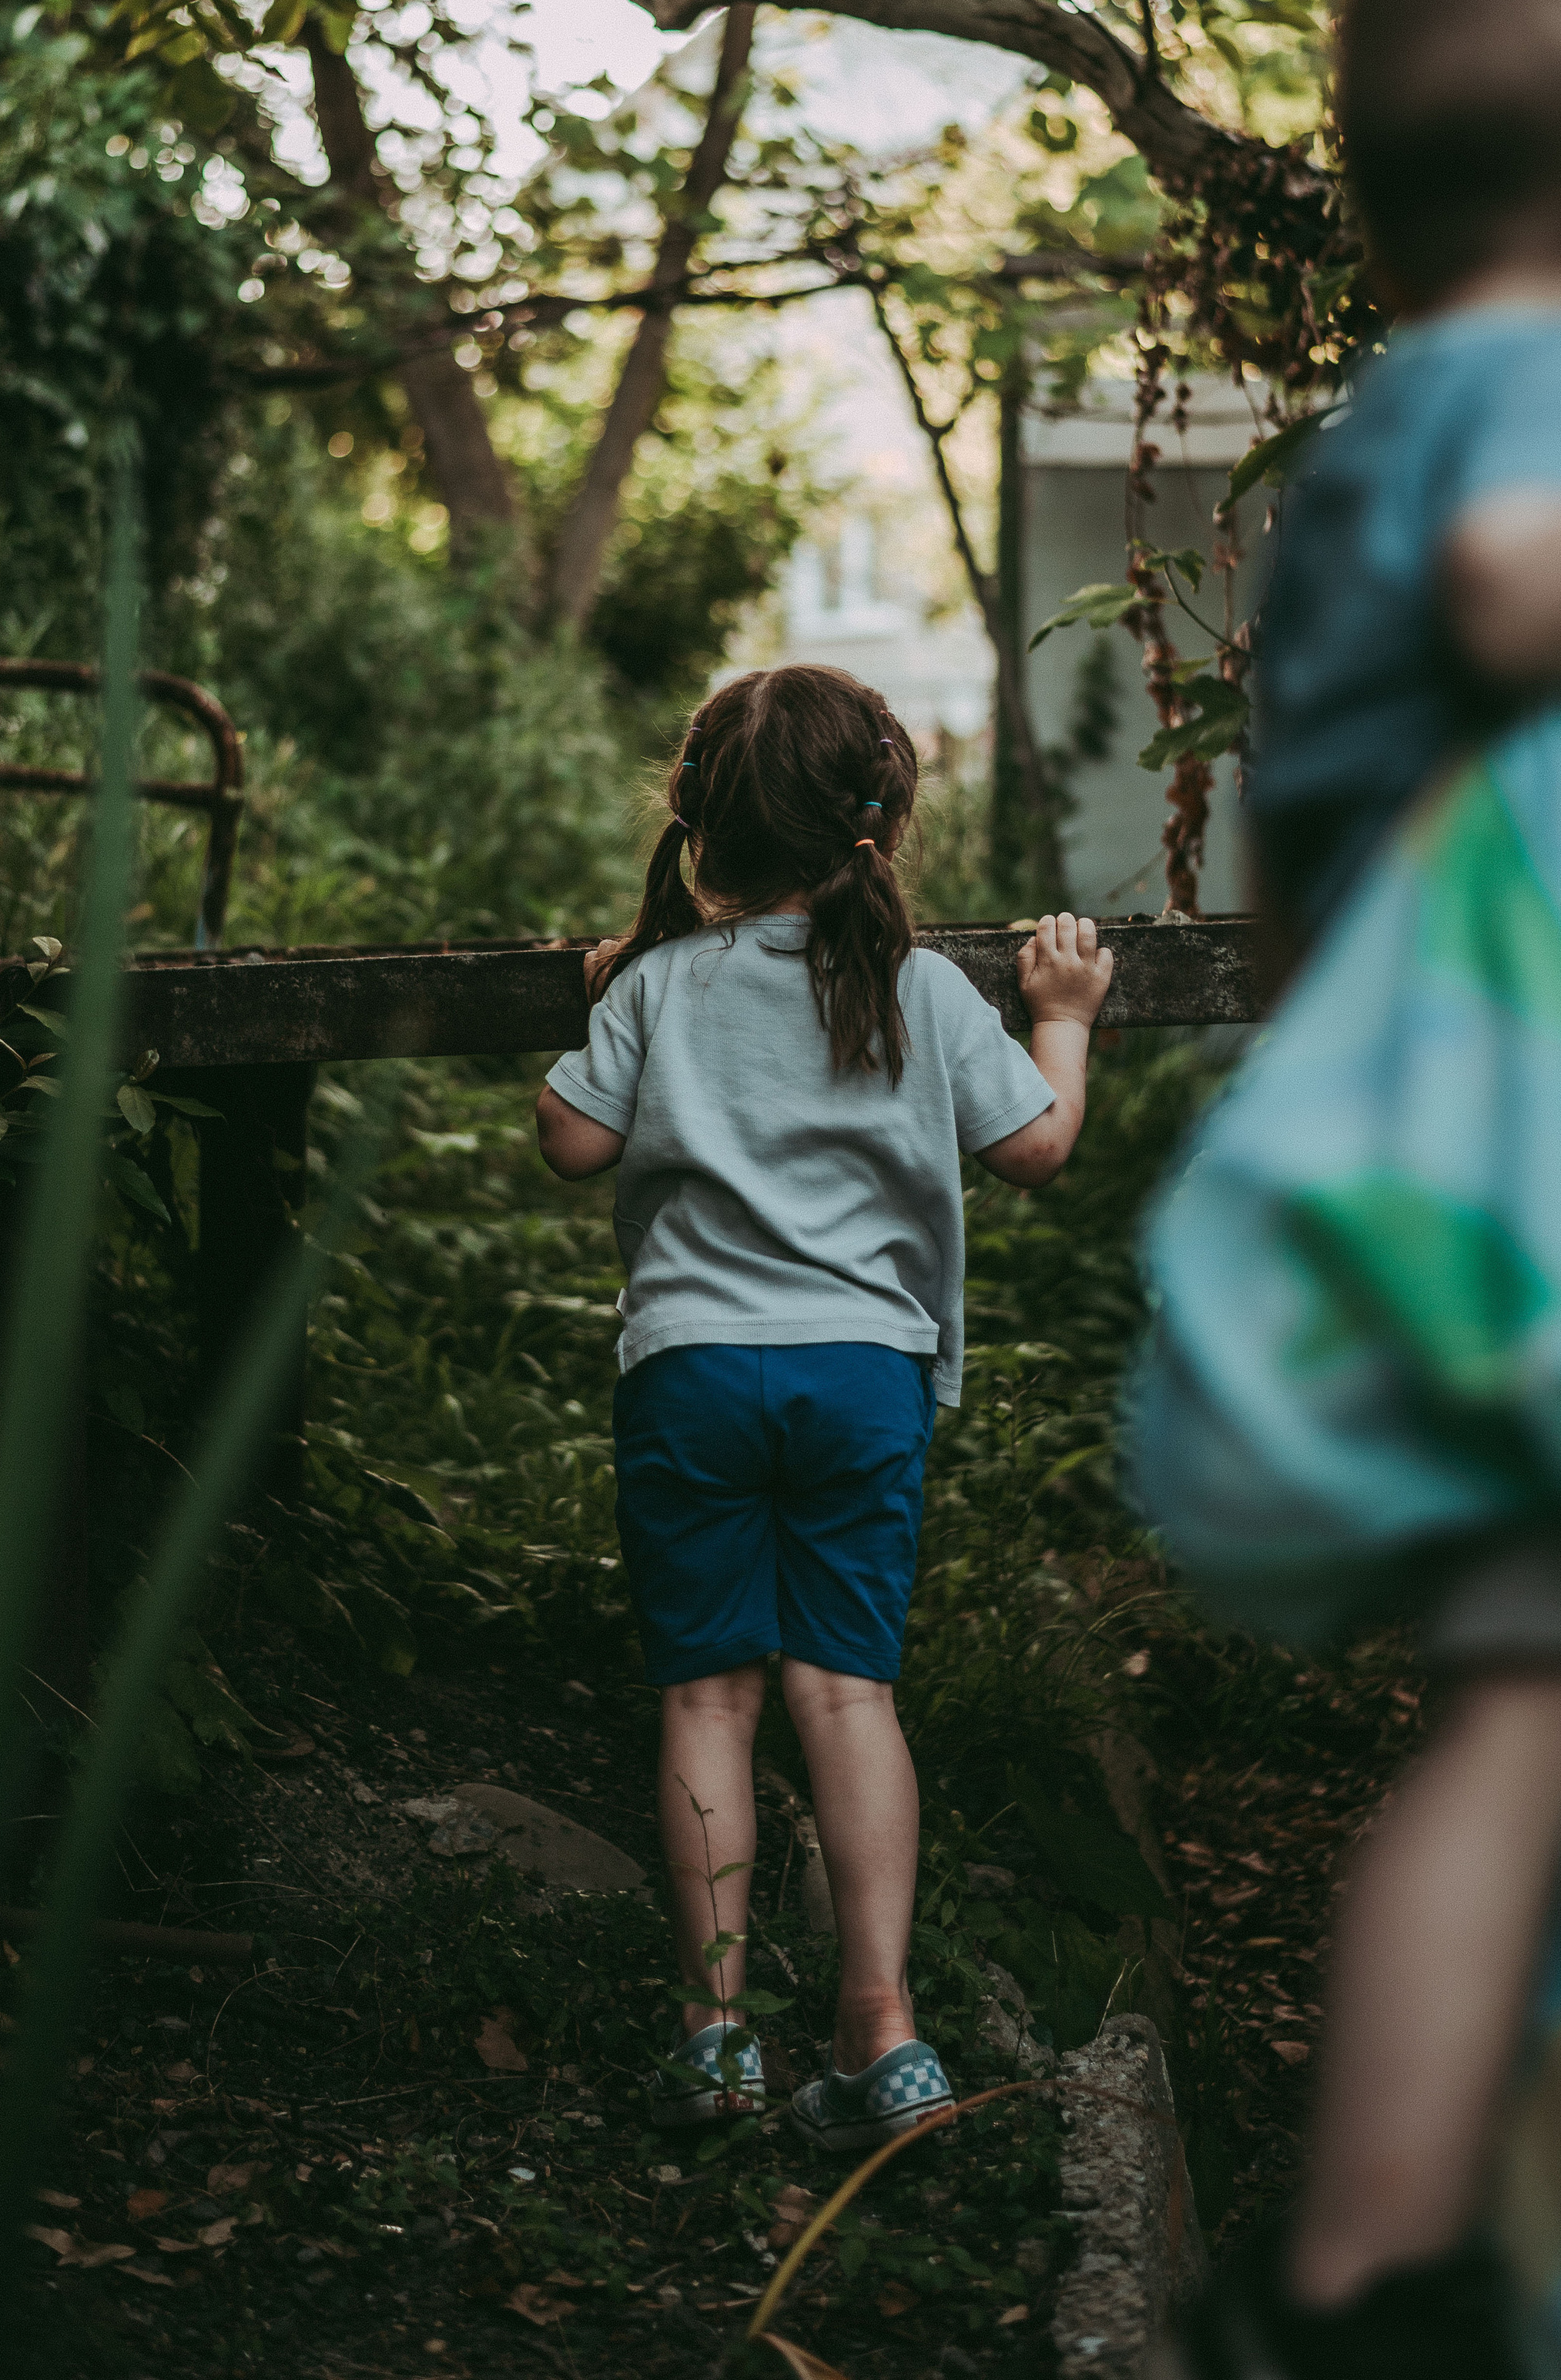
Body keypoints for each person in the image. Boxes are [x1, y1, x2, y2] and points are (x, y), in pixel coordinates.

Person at [1166, 0, 1561, 2378]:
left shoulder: (1367, 429)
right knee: (1553, 1706)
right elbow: (1534, 587)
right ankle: (1383, 2272)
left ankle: (1360, 2256)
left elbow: (1292, 874)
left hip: (1420, 1186)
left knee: (1513, 1703)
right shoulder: (1554, 383)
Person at [534, 663, 1112, 2150]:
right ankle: (883, 2029)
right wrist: (1063, 1013)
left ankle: (717, 2035)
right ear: (879, 823)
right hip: (862, 1378)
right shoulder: (917, 986)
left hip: (694, 1373)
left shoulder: (661, 983)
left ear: (701, 832)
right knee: (846, 1695)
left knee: (706, 1698)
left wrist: (613, 990)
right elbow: (1038, 1148)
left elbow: (569, 1143)